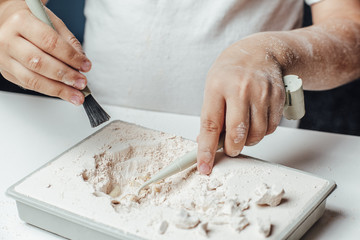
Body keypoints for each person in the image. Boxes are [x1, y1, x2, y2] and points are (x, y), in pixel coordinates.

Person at [0, 0, 359, 175]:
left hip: (253, 146)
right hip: (93, 133)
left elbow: (351, 32)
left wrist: (275, 53)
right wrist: (6, 17)